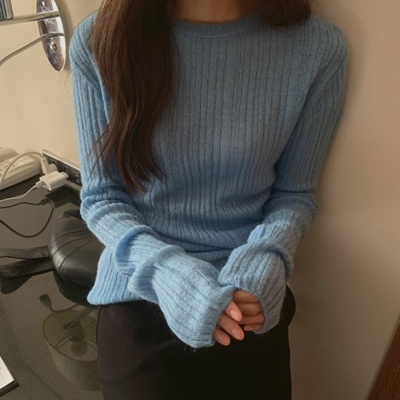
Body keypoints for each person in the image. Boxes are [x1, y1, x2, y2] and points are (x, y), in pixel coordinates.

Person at [69, 0, 348, 398]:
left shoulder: (318, 49)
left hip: (247, 293)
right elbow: (102, 197)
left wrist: (266, 256)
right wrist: (168, 272)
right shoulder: (98, 41)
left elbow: (294, 194)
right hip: (140, 291)